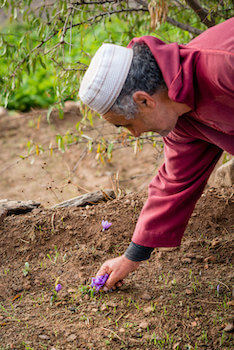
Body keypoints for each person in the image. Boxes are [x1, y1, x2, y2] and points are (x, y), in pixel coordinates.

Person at [79, 18, 234, 292]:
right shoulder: (181, 120)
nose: (134, 135)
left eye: (127, 124)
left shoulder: (225, 65)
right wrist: (132, 257)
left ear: (143, 100)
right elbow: (174, 183)